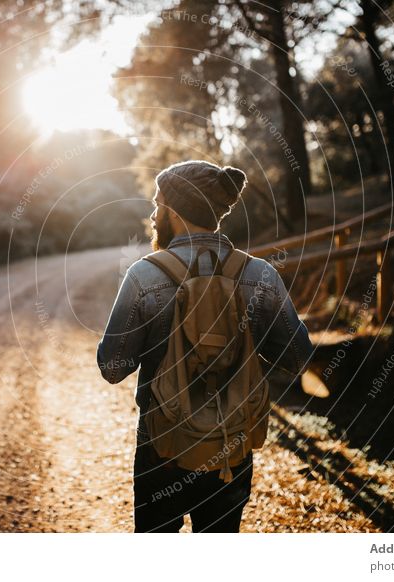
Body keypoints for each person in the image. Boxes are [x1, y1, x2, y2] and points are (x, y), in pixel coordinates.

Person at [97, 160, 313, 532]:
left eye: (158, 202)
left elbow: (113, 368)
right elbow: (295, 358)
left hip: (162, 446)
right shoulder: (260, 274)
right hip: (232, 443)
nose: (153, 213)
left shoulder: (144, 276)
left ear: (175, 211)